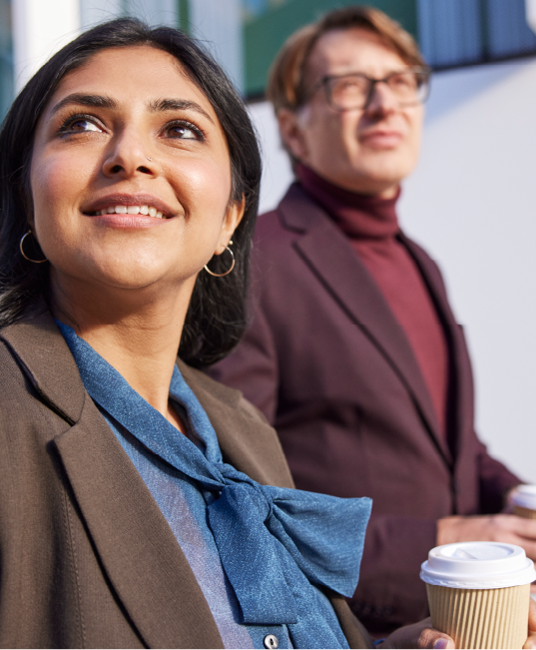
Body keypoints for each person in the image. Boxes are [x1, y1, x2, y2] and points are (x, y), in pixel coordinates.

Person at [0, 16, 478, 650]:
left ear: (230, 215)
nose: (131, 156)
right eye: (82, 124)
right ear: (26, 192)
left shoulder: (240, 425)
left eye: (179, 130)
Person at [208, 5, 536, 638]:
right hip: (350, 628)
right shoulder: (254, 263)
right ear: (293, 129)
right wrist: (438, 538)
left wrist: (516, 499)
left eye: (402, 82)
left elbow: (455, 449)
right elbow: (239, 489)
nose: (386, 105)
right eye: (351, 87)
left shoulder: (422, 264)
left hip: (464, 619)